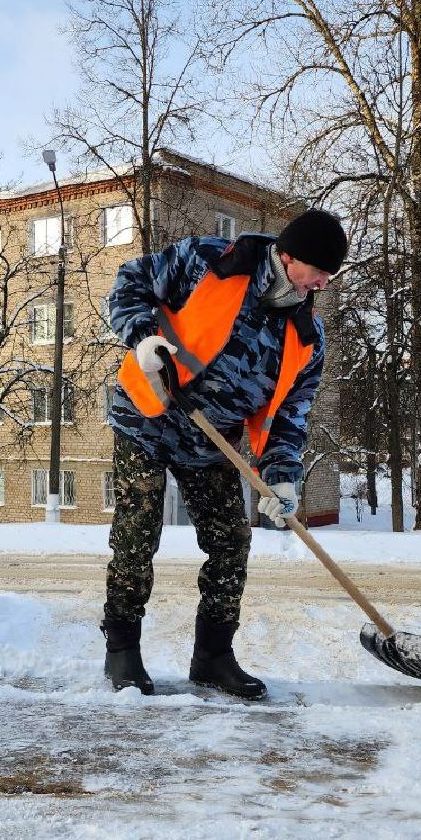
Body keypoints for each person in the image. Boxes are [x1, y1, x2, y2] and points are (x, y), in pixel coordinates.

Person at [100, 208, 348, 698]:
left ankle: (213, 657)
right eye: (319, 270)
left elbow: (290, 414)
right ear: (289, 256)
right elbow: (130, 281)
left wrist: (281, 475)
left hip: (210, 441)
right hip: (148, 416)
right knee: (137, 534)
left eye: (329, 274)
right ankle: (122, 650)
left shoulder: (307, 337)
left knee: (231, 541)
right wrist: (143, 337)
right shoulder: (212, 261)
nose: (324, 282)